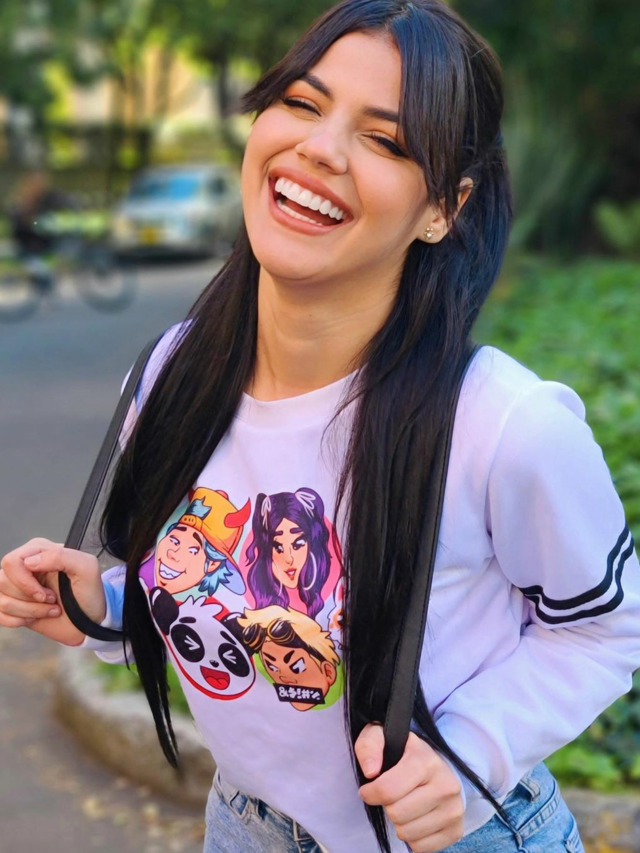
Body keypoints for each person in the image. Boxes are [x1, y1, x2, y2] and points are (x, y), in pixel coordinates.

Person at [1, 2, 639, 852]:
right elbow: (224, 594)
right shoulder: (168, 376)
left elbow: (607, 627)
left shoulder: (503, 426)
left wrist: (469, 756)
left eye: (385, 140)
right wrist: (101, 608)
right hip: (243, 824)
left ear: (443, 208)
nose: (320, 149)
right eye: (302, 103)